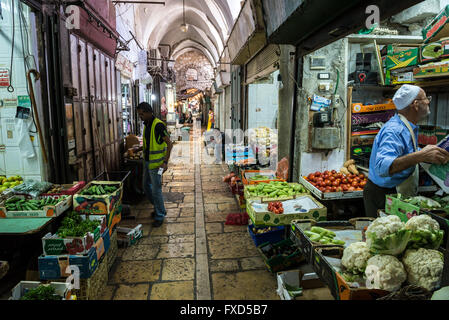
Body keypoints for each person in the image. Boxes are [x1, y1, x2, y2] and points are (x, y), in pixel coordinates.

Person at [363, 84, 449, 218]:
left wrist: (429, 155)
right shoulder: (395, 130)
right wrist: (420, 155)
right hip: (382, 194)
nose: (428, 102)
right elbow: (382, 166)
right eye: (426, 98)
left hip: (394, 191)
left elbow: (405, 152)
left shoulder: (408, 126)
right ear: (415, 104)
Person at [135, 102, 173, 227]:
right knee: (146, 187)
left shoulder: (158, 125)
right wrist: (138, 150)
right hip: (147, 162)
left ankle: (160, 214)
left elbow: (169, 144)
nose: (140, 117)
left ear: (148, 112)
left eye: (141, 114)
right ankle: (158, 207)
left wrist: (165, 162)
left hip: (157, 165)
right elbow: (149, 144)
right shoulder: (147, 124)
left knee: (156, 190)